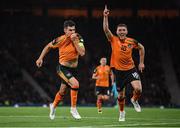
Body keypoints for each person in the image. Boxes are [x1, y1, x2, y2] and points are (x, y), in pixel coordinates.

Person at [36, 20, 85, 120]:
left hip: (74, 69)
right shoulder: (60, 39)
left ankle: (53, 106)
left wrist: (75, 41)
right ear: (65, 30)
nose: (72, 32)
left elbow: (82, 53)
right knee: (75, 84)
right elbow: (48, 46)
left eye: (74, 30)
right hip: (62, 68)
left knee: (62, 92)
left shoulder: (78, 38)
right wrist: (40, 58)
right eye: (70, 30)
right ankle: (73, 109)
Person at [103, 5, 145, 121]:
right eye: (119, 30)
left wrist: (141, 63)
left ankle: (134, 100)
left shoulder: (132, 41)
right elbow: (106, 30)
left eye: (123, 30)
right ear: (116, 31)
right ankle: (122, 112)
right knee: (121, 95)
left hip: (131, 69)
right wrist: (105, 16)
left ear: (126, 31)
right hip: (119, 71)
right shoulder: (113, 39)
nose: (121, 32)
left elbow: (141, 48)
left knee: (138, 90)